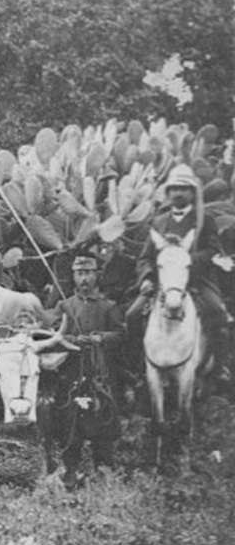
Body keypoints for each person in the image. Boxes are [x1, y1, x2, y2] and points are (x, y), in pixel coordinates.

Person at [134, 163, 233, 384]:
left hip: (197, 280)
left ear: (192, 192)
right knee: (133, 314)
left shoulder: (204, 220)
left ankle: (219, 365)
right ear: (168, 192)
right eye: (174, 188)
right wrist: (147, 278)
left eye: (184, 188)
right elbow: (145, 257)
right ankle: (140, 366)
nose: (178, 193)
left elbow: (213, 250)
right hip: (162, 283)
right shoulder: (159, 222)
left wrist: (186, 259)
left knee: (218, 312)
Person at [55, 252, 126, 484]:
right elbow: (56, 335)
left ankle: (104, 472)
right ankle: (70, 471)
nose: (83, 278)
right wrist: (74, 341)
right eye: (79, 273)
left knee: (102, 419)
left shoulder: (108, 306)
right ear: (73, 276)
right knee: (70, 420)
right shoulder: (65, 305)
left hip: (101, 374)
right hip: (72, 372)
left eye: (88, 273)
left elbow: (121, 336)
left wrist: (100, 338)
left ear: (97, 276)